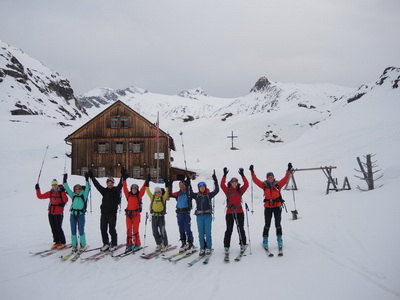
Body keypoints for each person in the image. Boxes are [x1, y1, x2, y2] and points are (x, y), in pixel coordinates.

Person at [249, 163, 292, 250]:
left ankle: (279, 239)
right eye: (269, 177)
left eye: (271, 177)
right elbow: (256, 181)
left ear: (273, 177)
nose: (270, 178)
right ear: (267, 178)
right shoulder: (264, 185)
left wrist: (288, 170)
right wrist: (252, 172)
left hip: (277, 207)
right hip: (268, 207)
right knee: (267, 224)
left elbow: (285, 179)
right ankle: (265, 240)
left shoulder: (278, 185)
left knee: (277, 224)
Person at [88, 168, 123, 252]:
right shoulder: (104, 191)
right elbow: (97, 185)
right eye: (109, 183)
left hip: (112, 214)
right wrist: (92, 177)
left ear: (113, 184)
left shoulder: (116, 191)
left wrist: (122, 177)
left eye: (111, 183)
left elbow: (120, 185)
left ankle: (114, 244)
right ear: (107, 183)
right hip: (104, 214)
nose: (110, 184)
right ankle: (106, 243)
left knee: (112, 229)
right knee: (103, 229)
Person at [190, 171, 219, 256]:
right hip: (199, 217)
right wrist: (188, 185)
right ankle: (202, 248)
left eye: (203, 187)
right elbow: (190, 193)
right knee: (201, 233)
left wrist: (216, 181)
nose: (202, 188)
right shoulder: (196, 195)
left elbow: (217, 190)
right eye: (200, 187)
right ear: (198, 188)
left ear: (205, 187)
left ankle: (208, 248)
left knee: (208, 233)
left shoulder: (209, 195)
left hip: (207, 216)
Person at [220, 167, 249, 255]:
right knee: (229, 229)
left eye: (236, 182)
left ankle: (242, 244)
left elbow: (247, 184)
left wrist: (243, 175)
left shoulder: (240, 191)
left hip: (240, 212)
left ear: (237, 183)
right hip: (229, 213)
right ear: (231, 183)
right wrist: (224, 175)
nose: (234, 184)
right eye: (233, 182)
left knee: (241, 229)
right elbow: (221, 185)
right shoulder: (227, 191)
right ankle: (226, 246)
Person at [35, 179, 68, 249]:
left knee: (58, 227)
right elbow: (40, 196)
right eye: (53, 185)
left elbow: (65, 200)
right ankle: (56, 241)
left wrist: (62, 192)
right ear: (51, 185)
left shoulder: (61, 192)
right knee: (53, 227)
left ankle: (63, 242)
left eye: (55, 185)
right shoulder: (50, 192)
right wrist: (37, 189)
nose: (54, 186)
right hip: (51, 212)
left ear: (57, 185)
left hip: (58, 213)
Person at [63, 172, 90, 252]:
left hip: (81, 215)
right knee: (73, 230)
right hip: (73, 215)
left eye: (79, 188)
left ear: (81, 189)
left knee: (81, 230)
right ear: (74, 189)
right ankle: (74, 245)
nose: (77, 190)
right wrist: (64, 180)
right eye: (76, 188)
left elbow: (88, 188)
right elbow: (67, 188)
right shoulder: (73, 195)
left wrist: (86, 180)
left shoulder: (84, 195)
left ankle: (83, 244)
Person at [122, 170, 145, 253]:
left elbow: (143, 189)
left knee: (135, 230)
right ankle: (129, 245)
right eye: (133, 188)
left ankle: (137, 244)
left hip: (136, 215)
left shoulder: (139, 196)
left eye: (135, 189)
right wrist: (124, 180)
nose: (134, 190)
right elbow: (124, 189)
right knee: (128, 230)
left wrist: (147, 181)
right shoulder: (128, 195)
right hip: (128, 215)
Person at [146, 175, 170, 252]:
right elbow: (147, 191)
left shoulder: (163, 198)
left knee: (162, 231)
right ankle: (159, 244)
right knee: (155, 231)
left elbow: (167, 191)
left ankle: (165, 244)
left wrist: (166, 183)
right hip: (154, 217)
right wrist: (147, 182)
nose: (157, 193)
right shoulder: (152, 197)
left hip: (161, 217)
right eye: (156, 192)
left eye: (159, 192)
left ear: (160, 193)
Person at [170, 177, 194, 252]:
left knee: (187, 229)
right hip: (179, 214)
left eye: (183, 185)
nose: (182, 186)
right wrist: (169, 184)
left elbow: (190, 191)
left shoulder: (188, 193)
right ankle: (183, 242)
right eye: (180, 185)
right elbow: (170, 194)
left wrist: (189, 184)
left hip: (186, 214)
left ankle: (190, 243)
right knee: (181, 229)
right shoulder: (178, 193)